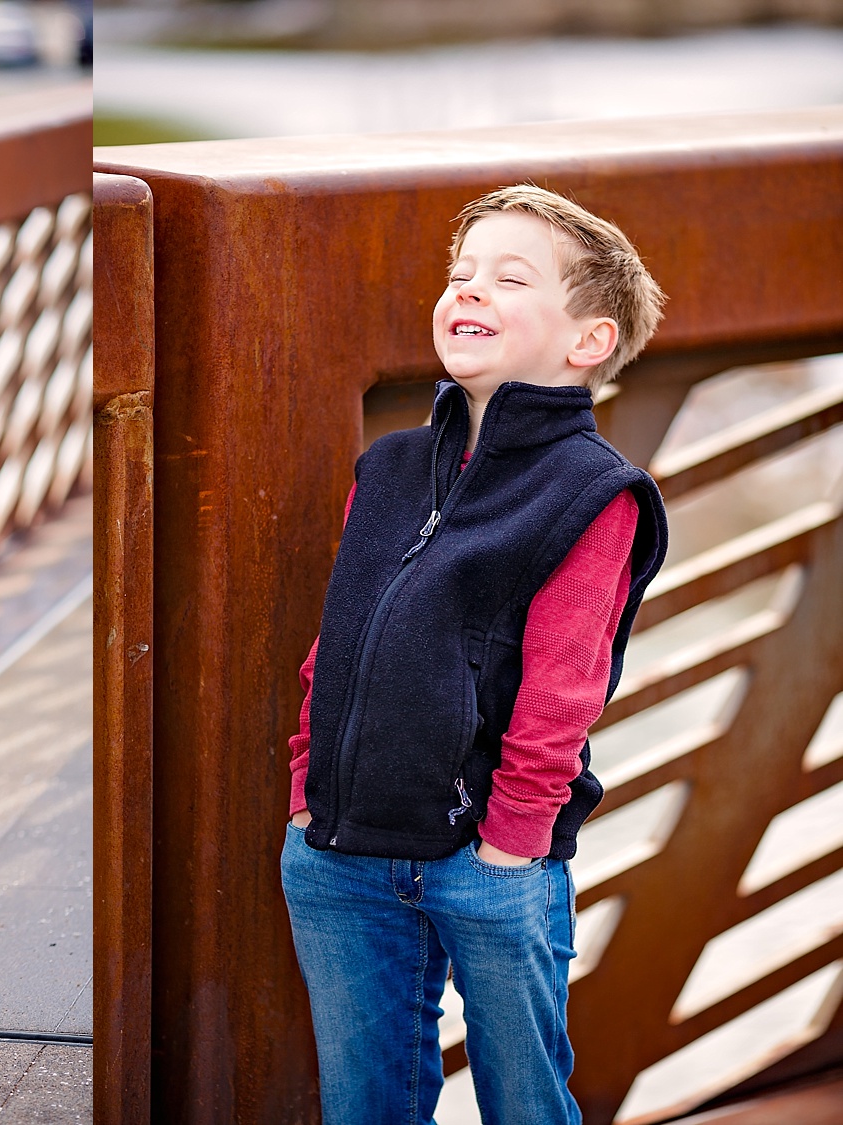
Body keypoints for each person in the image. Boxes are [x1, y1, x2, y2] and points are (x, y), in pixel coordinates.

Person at [280, 185, 669, 1124]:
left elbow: (563, 687)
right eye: (460, 276)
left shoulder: (596, 492)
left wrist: (511, 842)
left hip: (491, 858)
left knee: (525, 1103)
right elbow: (338, 640)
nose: (470, 292)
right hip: (344, 847)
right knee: (363, 1103)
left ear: (590, 342)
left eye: (509, 278)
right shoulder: (390, 468)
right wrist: (305, 789)